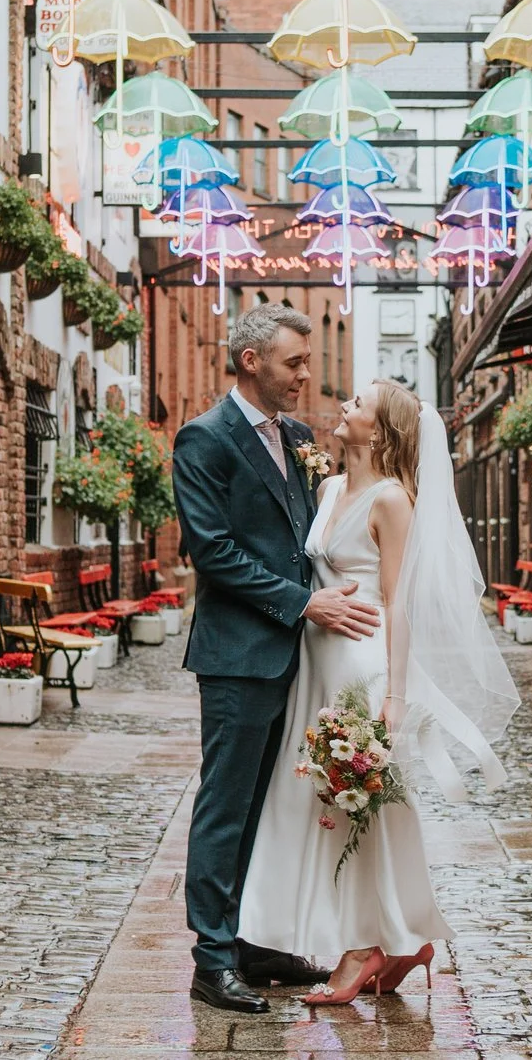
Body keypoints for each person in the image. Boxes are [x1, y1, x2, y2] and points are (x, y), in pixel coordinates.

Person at [238, 378, 522, 1003]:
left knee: (365, 802)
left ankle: (365, 946)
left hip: (361, 667)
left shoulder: (393, 500)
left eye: (359, 404)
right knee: (327, 804)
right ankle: (400, 937)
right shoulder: (329, 487)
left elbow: (399, 603)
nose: (345, 406)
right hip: (316, 663)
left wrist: (394, 694)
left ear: (382, 430)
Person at [173, 304, 382, 1014]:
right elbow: (214, 552)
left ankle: (251, 943)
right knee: (226, 806)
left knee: (267, 808)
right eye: (294, 362)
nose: (305, 375)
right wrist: (304, 602)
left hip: (300, 657)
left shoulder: (296, 437)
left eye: (307, 361)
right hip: (238, 657)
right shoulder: (204, 439)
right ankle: (212, 959)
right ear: (250, 360)